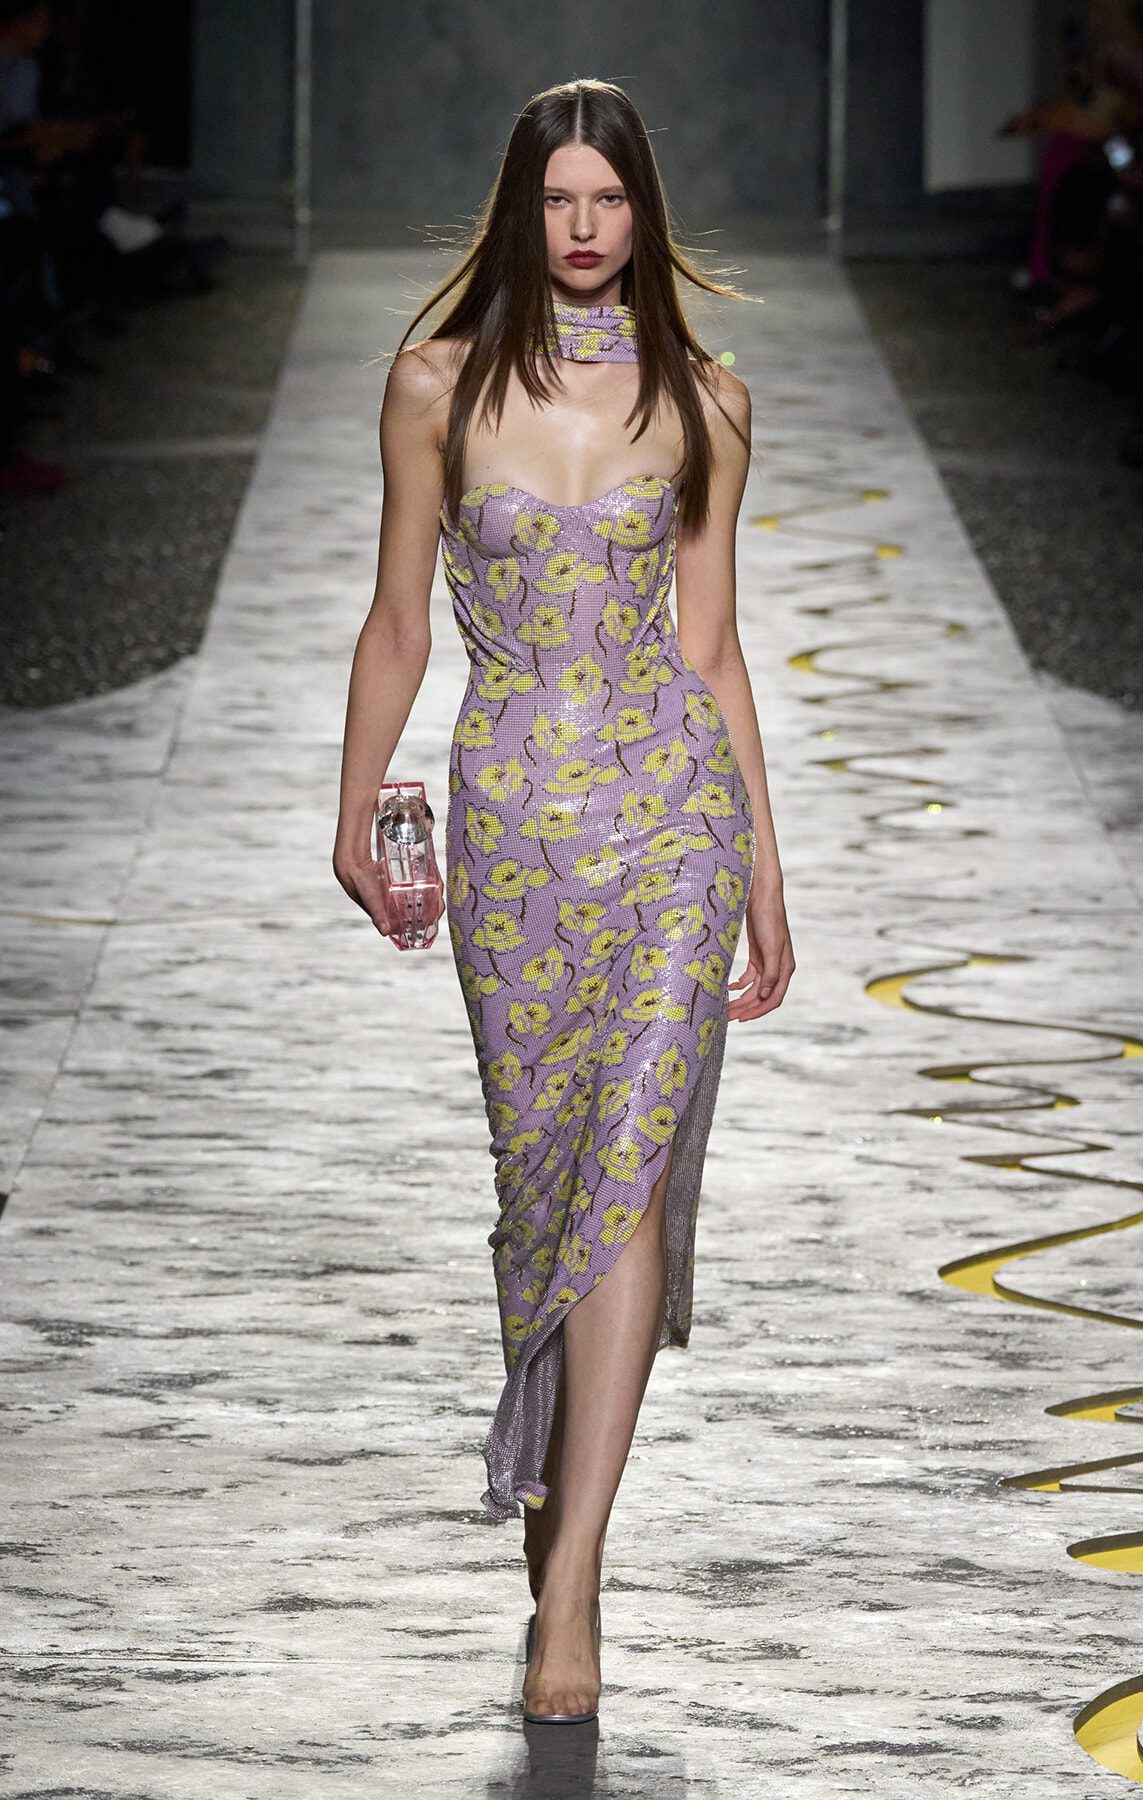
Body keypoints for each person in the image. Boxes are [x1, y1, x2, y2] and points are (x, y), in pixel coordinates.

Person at [334, 79, 794, 1724]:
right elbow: (400, 616)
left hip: (671, 815)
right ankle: (553, 1491)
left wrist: (764, 880)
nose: (586, 228)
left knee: (627, 1176)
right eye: (559, 202)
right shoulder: (433, 387)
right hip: (513, 824)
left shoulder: (712, 403)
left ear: (646, 215)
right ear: (521, 214)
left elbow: (714, 652)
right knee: (545, 1184)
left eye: (611, 200)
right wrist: (353, 802)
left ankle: (576, 1578)